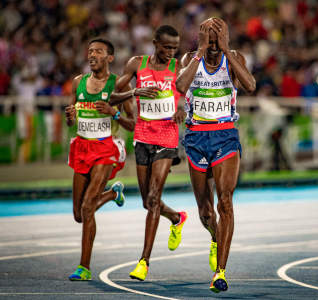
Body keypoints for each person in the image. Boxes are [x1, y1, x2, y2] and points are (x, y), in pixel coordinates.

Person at [176, 18, 256, 293]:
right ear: (199, 40)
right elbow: (180, 86)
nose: (212, 47)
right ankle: (215, 236)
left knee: (225, 201)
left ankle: (220, 272)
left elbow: (250, 85)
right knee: (205, 211)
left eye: (216, 41)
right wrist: (199, 52)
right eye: (208, 41)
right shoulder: (189, 59)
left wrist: (226, 49)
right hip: (197, 138)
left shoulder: (234, 58)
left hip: (225, 136)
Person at [108, 25, 188, 281]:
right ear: (155, 43)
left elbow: (191, 94)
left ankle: (143, 262)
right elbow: (110, 98)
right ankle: (176, 217)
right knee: (146, 202)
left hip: (167, 135)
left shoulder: (178, 68)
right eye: (166, 47)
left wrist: (183, 109)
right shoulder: (137, 64)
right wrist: (134, 91)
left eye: (175, 48)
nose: (171, 53)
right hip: (142, 136)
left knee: (154, 197)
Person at [65, 38, 135, 280]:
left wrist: (114, 113)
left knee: (87, 208)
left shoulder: (118, 85)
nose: (92, 54)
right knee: (78, 214)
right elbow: (71, 118)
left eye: (98, 51)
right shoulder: (78, 82)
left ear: (110, 58)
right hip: (82, 147)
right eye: (90, 51)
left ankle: (83, 267)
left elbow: (134, 125)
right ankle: (113, 194)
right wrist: (70, 117)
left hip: (105, 148)